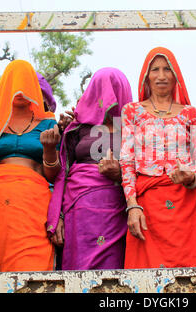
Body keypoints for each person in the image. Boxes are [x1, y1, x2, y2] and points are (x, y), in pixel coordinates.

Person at [120, 47, 196, 269]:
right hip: (148, 205)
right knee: (148, 276)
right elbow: (127, 163)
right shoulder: (131, 112)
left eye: (167, 69)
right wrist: (132, 206)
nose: (161, 75)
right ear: (146, 76)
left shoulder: (191, 113)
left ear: (176, 75)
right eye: (155, 69)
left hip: (187, 205)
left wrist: (191, 177)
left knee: (194, 273)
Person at [0, 60, 61, 272]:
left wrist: (49, 149)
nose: (20, 90)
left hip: (35, 207)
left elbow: (53, 176)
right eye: (14, 84)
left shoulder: (49, 123)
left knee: (35, 272)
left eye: (25, 83)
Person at [46, 67, 132, 270]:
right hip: (79, 207)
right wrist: (56, 216)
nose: (108, 97)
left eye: (113, 90)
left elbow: (141, 171)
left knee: (114, 274)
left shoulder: (133, 129)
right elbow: (61, 174)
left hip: (119, 210)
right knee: (79, 270)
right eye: (101, 90)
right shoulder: (77, 126)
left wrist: (119, 175)